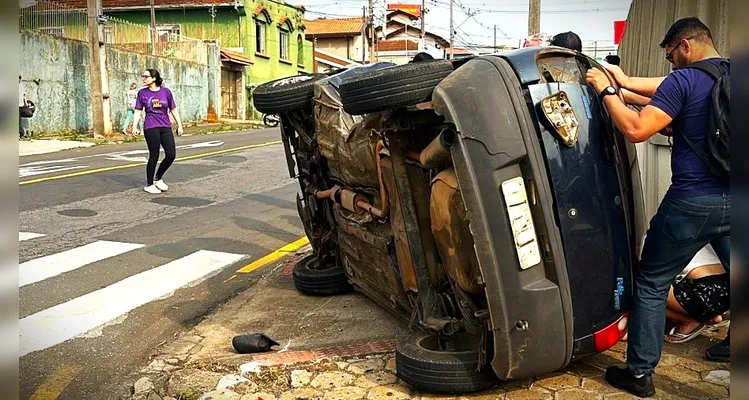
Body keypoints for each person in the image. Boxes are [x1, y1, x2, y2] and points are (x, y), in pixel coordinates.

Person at [585, 17, 730, 397]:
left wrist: (605, 92)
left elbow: (635, 129)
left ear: (684, 45)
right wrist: (626, 85)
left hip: (694, 203)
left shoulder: (684, 81)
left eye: (670, 55)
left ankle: (639, 374)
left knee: (651, 282)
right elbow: (666, 100)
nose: (671, 64)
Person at [662, 244, 729, 344]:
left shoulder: (652, 238)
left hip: (702, 292)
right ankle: (710, 316)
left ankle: (687, 321)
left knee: (645, 291)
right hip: (725, 291)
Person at [131, 69, 184, 194]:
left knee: (171, 154)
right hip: (151, 126)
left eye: (145, 76)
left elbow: (173, 109)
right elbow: (138, 110)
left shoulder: (166, 92)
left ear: (154, 78)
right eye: (142, 76)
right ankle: (149, 184)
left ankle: (158, 177)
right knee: (154, 155)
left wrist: (179, 125)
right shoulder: (142, 93)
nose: (143, 79)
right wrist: (134, 126)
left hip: (165, 126)